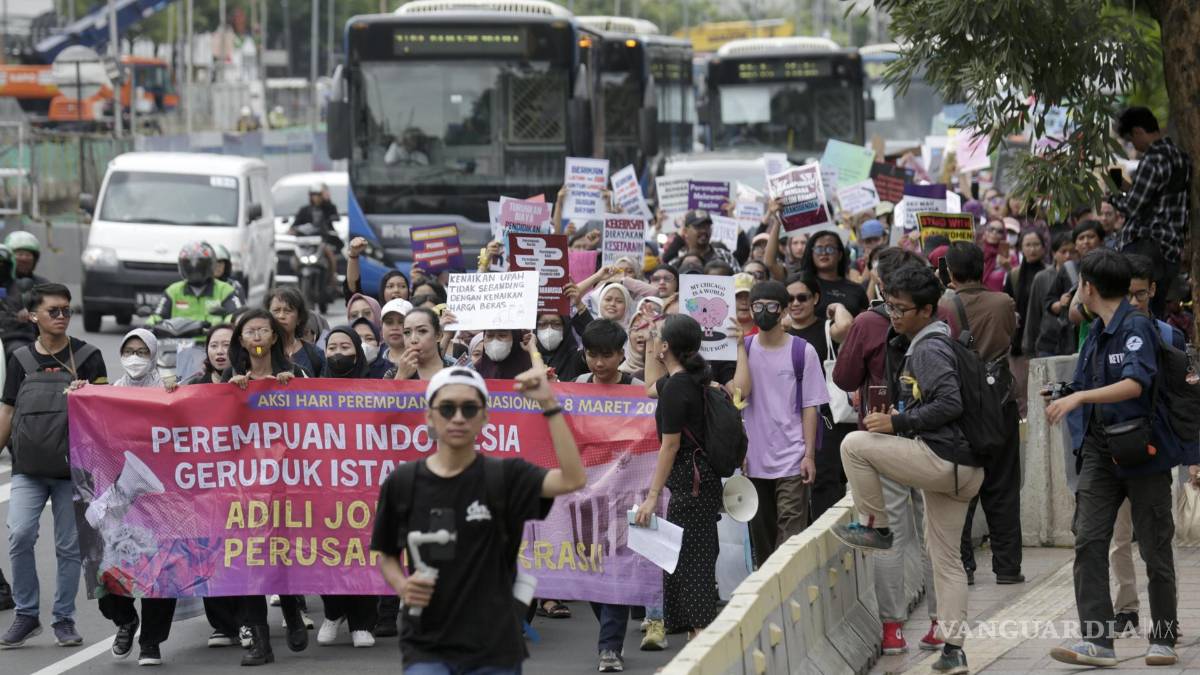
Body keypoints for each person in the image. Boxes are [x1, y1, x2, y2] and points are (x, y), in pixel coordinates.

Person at [371, 364, 586, 674]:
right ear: (429, 416)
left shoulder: (506, 476)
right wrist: (402, 585)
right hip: (427, 644)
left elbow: (572, 479)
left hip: (494, 647)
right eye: (447, 408)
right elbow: (386, 553)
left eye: (469, 408)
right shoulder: (402, 482)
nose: (458, 417)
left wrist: (548, 404)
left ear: (484, 417)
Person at [1044, 248, 1194, 668]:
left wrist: (1080, 397)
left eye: (1079, 285)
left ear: (1088, 288)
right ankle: (1097, 641)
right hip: (1098, 452)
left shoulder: (1137, 328)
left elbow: (1134, 383)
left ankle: (1163, 638)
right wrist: (1064, 394)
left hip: (1144, 454)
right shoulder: (1095, 332)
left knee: (1155, 549)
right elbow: (1085, 382)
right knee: (1089, 541)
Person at [833, 265, 985, 675]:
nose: (894, 316)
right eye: (890, 306)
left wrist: (898, 423)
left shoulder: (928, 348)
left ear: (928, 310)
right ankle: (954, 649)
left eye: (901, 309)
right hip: (966, 469)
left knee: (855, 444)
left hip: (943, 462)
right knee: (947, 561)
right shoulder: (938, 343)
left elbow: (950, 403)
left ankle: (878, 526)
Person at [832, 249, 943, 654]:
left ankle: (893, 630)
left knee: (886, 532)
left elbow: (844, 377)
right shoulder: (937, 316)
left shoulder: (867, 322)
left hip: (882, 435)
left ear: (881, 285)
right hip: (934, 434)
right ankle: (939, 623)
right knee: (936, 534)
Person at [0, 283, 107, 649]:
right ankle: (27, 615)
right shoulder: (20, 359)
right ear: (33, 316)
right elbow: (8, 410)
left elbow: (110, 411)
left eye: (66, 310)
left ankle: (63, 619)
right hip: (28, 467)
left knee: (67, 547)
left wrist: (88, 397)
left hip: (73, 470)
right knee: (19, 535)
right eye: (53, 311)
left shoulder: (90, 356)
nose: (62, 317)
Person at [1106, 254, 1190, 638]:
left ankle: (1165, 623)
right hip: (1115, 450)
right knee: (1118, 537)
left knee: (1157, 539)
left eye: (1141, 294)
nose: (1134, 302)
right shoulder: (1104, 331)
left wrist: (1192, 460)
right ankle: (1125, 609)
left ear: (1153, 291)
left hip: (1158, 452)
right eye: (1128, 295)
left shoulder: (1171, 336)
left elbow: (1184, 402)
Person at [637, 314, 724, 641]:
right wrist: (648, 346)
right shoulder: (693, 378)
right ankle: (695, 642)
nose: (653, 338)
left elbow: (669, 446)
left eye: (656, 336)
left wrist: (651, 496)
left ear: (668, 347)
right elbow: (648, 389)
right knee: (688, 559)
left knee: (693, 564)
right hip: (701, 478)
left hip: (691, 479)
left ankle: (701, 644)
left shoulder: (677, 387)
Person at [222, 309, 301, 666]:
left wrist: (292, 388)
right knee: (248, 558)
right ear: (241, 339)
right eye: (249, 331)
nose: (256, 336)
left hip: (286, 482)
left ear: (274, 338)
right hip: (243, 485)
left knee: (279, 553)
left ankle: (292, 612)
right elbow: (210, 422)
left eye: (263, 330)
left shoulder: (293, 374)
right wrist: (229, 395)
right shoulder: (231, 377)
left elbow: (315, 417)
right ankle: (260, 642)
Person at [941, 242, 1022, 586]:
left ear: (949, 273)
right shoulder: (1004, 302)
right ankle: (1007, 568)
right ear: (982, 268)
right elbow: (1010, 337)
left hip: (961, 405)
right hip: (1000, 400)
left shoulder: (943, 305)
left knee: (963, 486)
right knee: (1003, 485)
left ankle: (964, 567)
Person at [732, 280, 827, 566]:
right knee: (763, 541)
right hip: (754, 458)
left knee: (790, 540)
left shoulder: (803, 351)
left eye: (771, 306)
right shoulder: (744, 348)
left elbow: (810, 406)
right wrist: (738, 348)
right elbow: (739, 395)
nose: (763, 312)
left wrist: (808, 455)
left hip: (792, 457)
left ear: (784, 310)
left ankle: (790, 603)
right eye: (757, 307)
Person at [102, 328, 178, 665]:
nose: (135, 357)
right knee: (108, 574)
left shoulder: (167, 391)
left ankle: (151, 642)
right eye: (129, 350)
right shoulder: (109, 393)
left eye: (142, 351)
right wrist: (79, 395)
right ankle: (125, 620)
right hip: (119, 497)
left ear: (153, 353)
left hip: (161, 497)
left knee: (159, 574)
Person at [315, 327, 380, 648]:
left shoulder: (376, 388)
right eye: (331, 347)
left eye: (345, 346)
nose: (338, 353)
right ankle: (333, 612)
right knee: (328, 551)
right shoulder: (309, 390)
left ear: (358, 351)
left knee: (364, 552)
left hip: (365, 486)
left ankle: (362, 622)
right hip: (324, 484)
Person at [783, 271, 853, 519]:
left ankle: (832, 543)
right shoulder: (780, 334)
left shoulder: (826, 329)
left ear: (815, 298)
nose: (795, 303)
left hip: (825, 418)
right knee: (794, 485)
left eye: (802, 297)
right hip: (789, 419)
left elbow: (846, 326)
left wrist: (837, 305)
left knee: (825, 482)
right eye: (789, 298)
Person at [1113, 106, 1192, 318]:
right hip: (1170, 250)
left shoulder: (1153, 158)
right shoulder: (1181, 157)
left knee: (1131, 313)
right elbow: (1160, 198)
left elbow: (1132, 207)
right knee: (1154, 313)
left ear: (1138, 131)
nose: (1134, 146)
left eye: (1131, 140)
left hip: (1145, 246)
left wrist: (1114, 195)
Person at [1004, 230, 1051, 416]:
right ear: (1021, 248)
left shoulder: (1050, 273)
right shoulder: (1014, 276)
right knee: (1021, 390)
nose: (1032, 249)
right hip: (1019, 343)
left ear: (1043, 247)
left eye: (1036, 245)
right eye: (1028, 245)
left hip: (1044, 339)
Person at [148, 241, 242, 326]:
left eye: (201, 266)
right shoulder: (173, 291)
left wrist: (224, 325)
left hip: (211, 342)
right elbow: (157, 316)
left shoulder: (225, 290)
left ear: (211, 265)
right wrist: (150, 324)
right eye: (189, 266)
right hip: (176, 343)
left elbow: (236, 315)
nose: (195, 270)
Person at [802, 230, 869, 317]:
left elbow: (863, 325)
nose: (824, 253)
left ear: (840, 255)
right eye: (819, 249)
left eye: (830, 249)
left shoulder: (856, 289)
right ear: (812, 254)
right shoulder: (803, 285)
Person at [266, 286, 325, 377]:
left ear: (299, 318)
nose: (281, 316)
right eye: (276, 311)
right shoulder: (260, 350)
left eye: (287, 311)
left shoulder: (316, 355)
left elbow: (325, 389)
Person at [291, 182, 341, 289]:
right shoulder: (304, 210)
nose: (316, 198)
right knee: (295, 259)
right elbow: (294, 226)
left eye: (318, 195)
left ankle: (332, 279)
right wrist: (294, 230)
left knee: (331, 256)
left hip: (322, 242)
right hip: (305, 244)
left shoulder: (329, 208)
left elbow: (335, 217)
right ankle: (298, 279)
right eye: (314, 195)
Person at [387, 308, 456, 380]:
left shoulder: (456, 374)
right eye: (407, 332)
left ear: (438, 335)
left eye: (422, 331)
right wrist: (401, 377)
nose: (413, 340)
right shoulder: (393, 374)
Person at [662, 210, 741, 272]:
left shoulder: (726, 257)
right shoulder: (676, 263)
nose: (704, 230)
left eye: (707, 227)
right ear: (685, 231)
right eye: (698, 227)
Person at [534, 312, 585, 383]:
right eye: (543, 324)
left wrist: (580, 306)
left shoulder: (576, 359)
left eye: (556, 324)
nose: (549, 330)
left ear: (565, 327)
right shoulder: (529, 356)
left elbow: (594, 341)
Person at [376, 298, 415, 378]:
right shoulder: (373, 360)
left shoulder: (424, 360)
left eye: (401, 322)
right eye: (389, 322)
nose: (395, 328)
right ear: (381, 325)